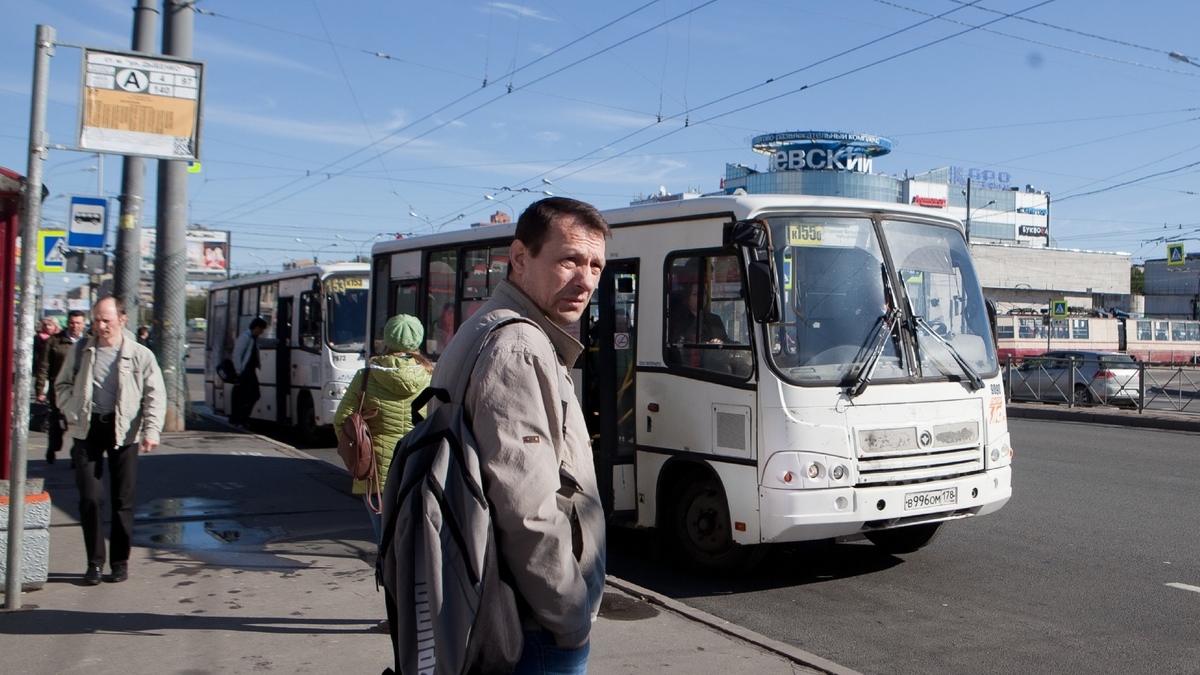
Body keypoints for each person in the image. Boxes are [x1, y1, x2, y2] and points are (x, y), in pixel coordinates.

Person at [430, 197, 608, 674]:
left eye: (595, 265)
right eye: (570, 259)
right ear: (520, 258)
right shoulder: (519, 347)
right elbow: (527, 511)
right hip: (530, 628)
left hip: (497, 611)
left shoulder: (486, 327)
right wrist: (570, 619)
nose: (586, 279)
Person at [54, 296, 164, 586]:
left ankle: (119, 562)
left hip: (124, 431)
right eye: (97, 320)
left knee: (122, 500)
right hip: (87, 429)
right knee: (90, 497)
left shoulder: (140, 354)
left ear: (122, 320)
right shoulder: (81, 350)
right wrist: (72, 408)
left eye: (106, 320)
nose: (100, 326)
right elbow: (61, 385)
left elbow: (155, 395)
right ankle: (94, 564)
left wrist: (152, 431)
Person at [333, 314, 432, 634]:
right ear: (417, 341)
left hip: (377, 477)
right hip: (421, 475)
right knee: (422, 544)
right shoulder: (432, 375)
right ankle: (427, 614)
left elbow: (342, 420)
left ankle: (398, 619)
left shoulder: (367, 376)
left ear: (387, 339)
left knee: (387, 545)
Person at [36, 310, 88, 464]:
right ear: (67, 323)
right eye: (72, 322)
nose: (75, 326)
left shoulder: (89, 341)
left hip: (80, 391)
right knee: (57, 425)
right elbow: (43, 366)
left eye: (78, 323)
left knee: (79, 425)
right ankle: (53, 446)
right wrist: (40, 390)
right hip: (58, 390)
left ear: (83, 324)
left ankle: (76, 455)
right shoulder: (55, 341)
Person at [230, 317, 267, 428]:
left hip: (251, 370)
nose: (262, 332)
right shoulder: (245, 337)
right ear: (257, 327)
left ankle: (243, 418)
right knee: (246, 396)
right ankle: (241, 420)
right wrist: (238, 371)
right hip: (245, 371)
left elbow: (263, 342)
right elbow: (236, 355)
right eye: (262, 329)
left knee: (254, 395)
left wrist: (280, 341)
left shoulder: (253, 338)